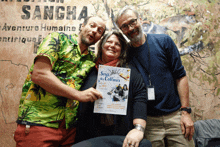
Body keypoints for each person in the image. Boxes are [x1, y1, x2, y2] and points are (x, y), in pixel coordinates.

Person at [14, 16, 106, 147]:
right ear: (82, 25)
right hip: (39, 122)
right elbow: (39, 74)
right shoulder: (58, 39)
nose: (94, 31)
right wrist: (78, 95)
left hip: (69, 129)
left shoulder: (91, 59)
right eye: (92, 25)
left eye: (100, 30)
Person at [114, 6, 194, 147]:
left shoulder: (164, 41)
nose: (131, 28)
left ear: (140, 20)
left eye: (132, 22)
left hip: (175, 116)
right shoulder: (124, 54)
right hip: (148, 121)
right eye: (125, 26)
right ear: (121, 30)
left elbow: (180, 76)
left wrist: (185, 112)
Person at [75, 30, 151, 147]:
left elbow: (140, 97)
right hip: (88, 135)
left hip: (120, 135)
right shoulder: (89, 69)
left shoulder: (130, 72)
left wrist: (138, 128)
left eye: (117, 44)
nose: (112, 46)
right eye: (109, 42)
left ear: (122, 49)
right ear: (102, 45)